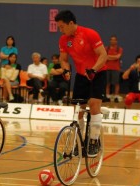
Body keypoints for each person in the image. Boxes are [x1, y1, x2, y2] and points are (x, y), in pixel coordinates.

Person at [55, 10, 108, 157]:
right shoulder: (64, 40)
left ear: (71, 23)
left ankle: (93, 141)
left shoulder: (90, 34)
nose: (60, 30)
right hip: (81, 75)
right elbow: (64, 59)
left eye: (62, 27)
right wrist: (66, 70)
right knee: (77, 108)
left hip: (97, 72)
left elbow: (104, 55)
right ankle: (79, 142)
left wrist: (93, 70)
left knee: (93, 104)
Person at [105, 35, 123, 103]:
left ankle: (116, 96)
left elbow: (118, 57)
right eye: (111, 39)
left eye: (114, 40)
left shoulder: (119, 49)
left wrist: (109, 57)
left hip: (116, 68)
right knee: (107, 83)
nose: (113, 41)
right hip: (107, 68)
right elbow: (105, 57)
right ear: (110, 41)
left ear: (116, 41)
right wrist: (113, 57)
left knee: (116, 83)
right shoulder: (106, 48)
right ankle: (107, 96)